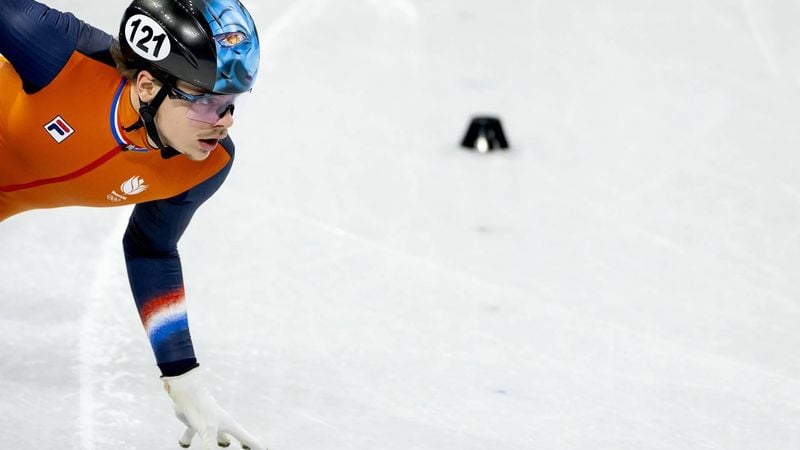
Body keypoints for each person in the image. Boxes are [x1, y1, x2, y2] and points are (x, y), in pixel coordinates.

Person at [0, 0, 266, 448]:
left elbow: (151, 249)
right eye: (206, 102)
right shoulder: (61, 54)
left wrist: (182, 375)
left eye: (231, 103)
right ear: (147, 85)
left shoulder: (204, 166)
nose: (224, 122)